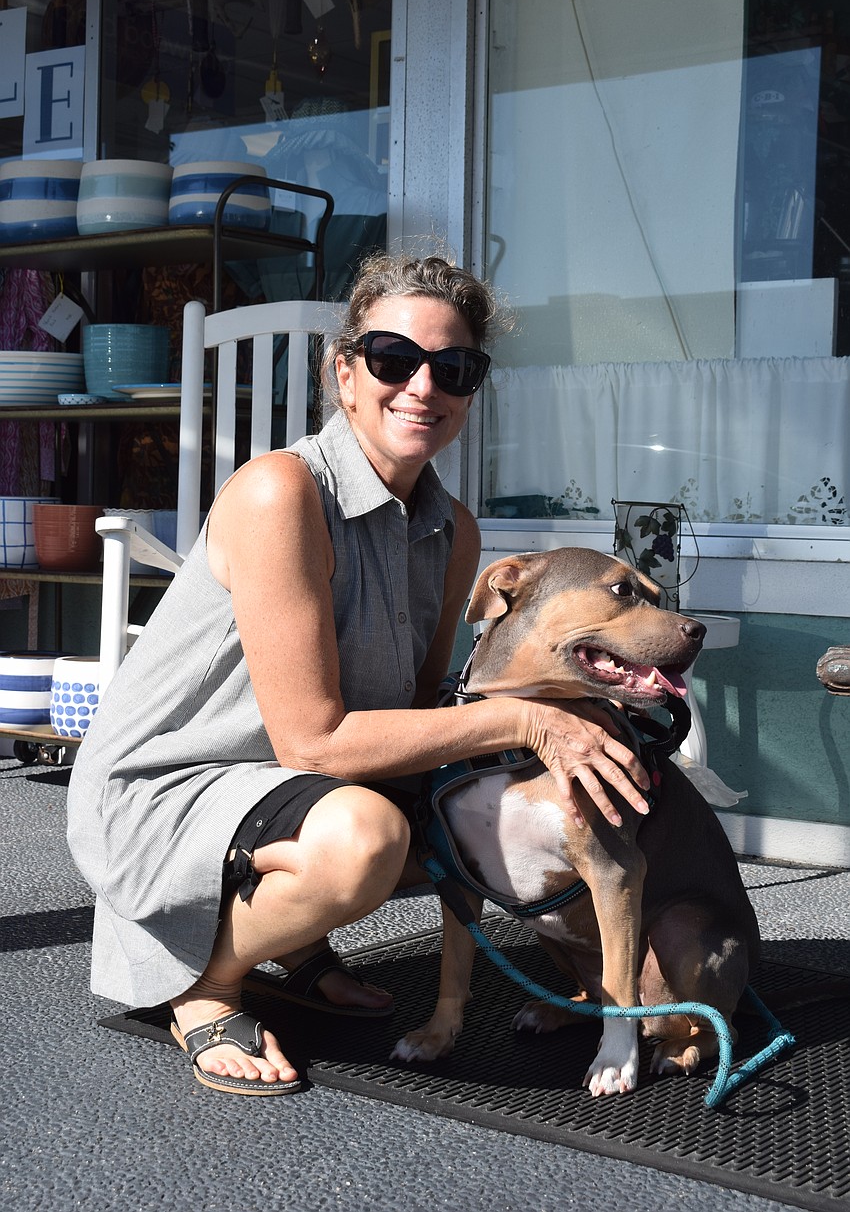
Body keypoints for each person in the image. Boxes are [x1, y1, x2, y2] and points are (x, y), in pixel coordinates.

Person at [66, 252, 650, 1097]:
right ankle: (204, 983)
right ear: (344, 373)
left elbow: (421, 709)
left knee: (460, 821)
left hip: (284, 781)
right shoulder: (283, 492)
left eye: (453, 368)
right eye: (392, 359)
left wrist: (582, 706)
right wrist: (530, 724)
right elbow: (316, 736)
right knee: (368, 842)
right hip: (168, 786)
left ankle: (291, 944)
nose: (423, 385)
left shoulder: (453, 530)